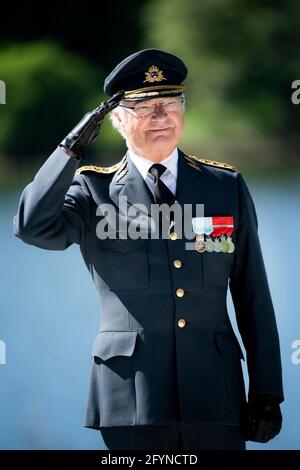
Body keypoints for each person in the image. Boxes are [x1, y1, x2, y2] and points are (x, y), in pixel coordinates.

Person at [13, 48, 284, 450]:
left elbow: (252, 296)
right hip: (131, 402)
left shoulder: (224, 186)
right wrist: (68, 151)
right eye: (145, 107)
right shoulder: (93, 191)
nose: (162, 115)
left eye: (170, 103)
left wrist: (267, 392)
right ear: (118, 119)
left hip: (216, 399)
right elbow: (32, 227)